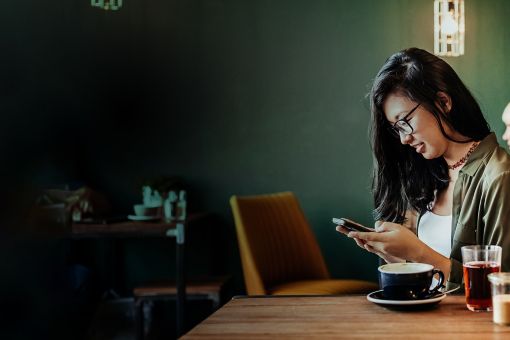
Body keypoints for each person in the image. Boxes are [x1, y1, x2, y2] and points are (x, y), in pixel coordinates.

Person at [337, 48, 510, 288]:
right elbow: (426, 276)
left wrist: (418, 252)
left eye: (405, 122)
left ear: (443, 102)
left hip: (466, 324)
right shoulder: (424, 174)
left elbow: (501, 288)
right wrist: (394, 254)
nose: (403, 139)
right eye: (396, 128)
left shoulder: (499, 176)